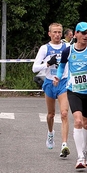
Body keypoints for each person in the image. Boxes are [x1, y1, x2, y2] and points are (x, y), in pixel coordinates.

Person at [54, 21, 87, 169]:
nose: (86, 36)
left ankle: (85, 149)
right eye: (83, 33)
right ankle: (80, 157)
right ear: (75, 34)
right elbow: (62, 66)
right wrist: (58, 76)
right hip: (73, 90)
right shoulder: (68, 51)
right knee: (78, 121)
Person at [32, 22, 70, 158]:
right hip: (49, 82)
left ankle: (64, 145)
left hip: (63, 82)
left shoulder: (67, 46)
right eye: (54, 32)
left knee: (64, 113)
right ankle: (50, 133)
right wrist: (48, 63)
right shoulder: (45, 48)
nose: (57, 35)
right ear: (49, 34)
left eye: (59, 32)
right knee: (51, 115)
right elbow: (34, 68)